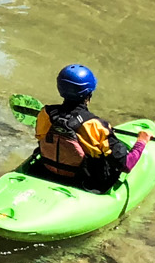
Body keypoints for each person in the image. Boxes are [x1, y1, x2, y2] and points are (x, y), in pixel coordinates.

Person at [33, 64, 149, 192]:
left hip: (47, 171)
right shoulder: (96, 125)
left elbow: (41, 138)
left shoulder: (45, 114)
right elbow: (126, 165)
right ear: (89, 94)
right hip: (83, 182)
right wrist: (141, 142)